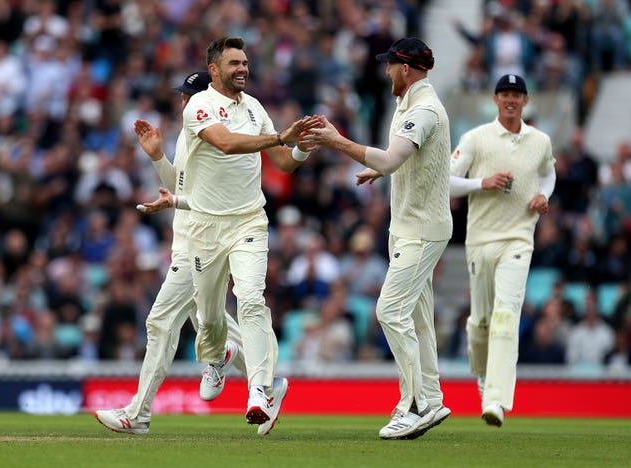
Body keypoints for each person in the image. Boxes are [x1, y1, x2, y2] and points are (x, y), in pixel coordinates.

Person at [136, 36, 320, 435]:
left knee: (252, 299)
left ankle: (259, 391)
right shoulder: (200, 108)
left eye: (246, 62)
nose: (243, 68)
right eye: (234, 62)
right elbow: (225, 145)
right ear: (214, 70)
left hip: (248, 222)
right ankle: (221, 358)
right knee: (209, 318)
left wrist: (301, 147)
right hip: (204, 229)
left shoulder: (254, 107)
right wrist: (279, 137)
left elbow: (284, 163)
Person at [302, 37, 453, 440]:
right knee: (418, 320)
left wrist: (336, 140)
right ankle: (432, 398)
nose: (386, 71)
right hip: (411, 227)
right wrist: (381, 171)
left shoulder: (422, 110)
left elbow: (390, 157)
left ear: (406, 68)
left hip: (420, 230)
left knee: (389, 312)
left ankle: (415, 404)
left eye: (390, 65)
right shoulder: (411, 105)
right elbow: (398, 161)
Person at [95, 71, 247, 435]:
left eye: (189, 96)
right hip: (189, 244)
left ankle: (139, 413)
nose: (183, 102)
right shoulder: (191, 136)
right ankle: (267, 382)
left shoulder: (213, 138)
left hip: (201, 245)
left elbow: (210, 202)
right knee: (211, 324)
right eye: (182, 96)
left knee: (160, 323)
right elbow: (178, 185)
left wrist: (176, 201)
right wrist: (158, 158)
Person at [449, 74, 556, 427]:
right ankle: (482, 374)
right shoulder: (476, 139)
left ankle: (495, 399)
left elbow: (548, 173)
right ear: (496, 99)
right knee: (480, 322)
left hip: (519, 239)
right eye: (505, 94)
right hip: (480, 240)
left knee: (506, 315)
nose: (511, 100)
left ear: (525, 101)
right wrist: (484, 182)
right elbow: (446, 180)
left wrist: (544, 196)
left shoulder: (539, 141)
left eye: (517, 95)